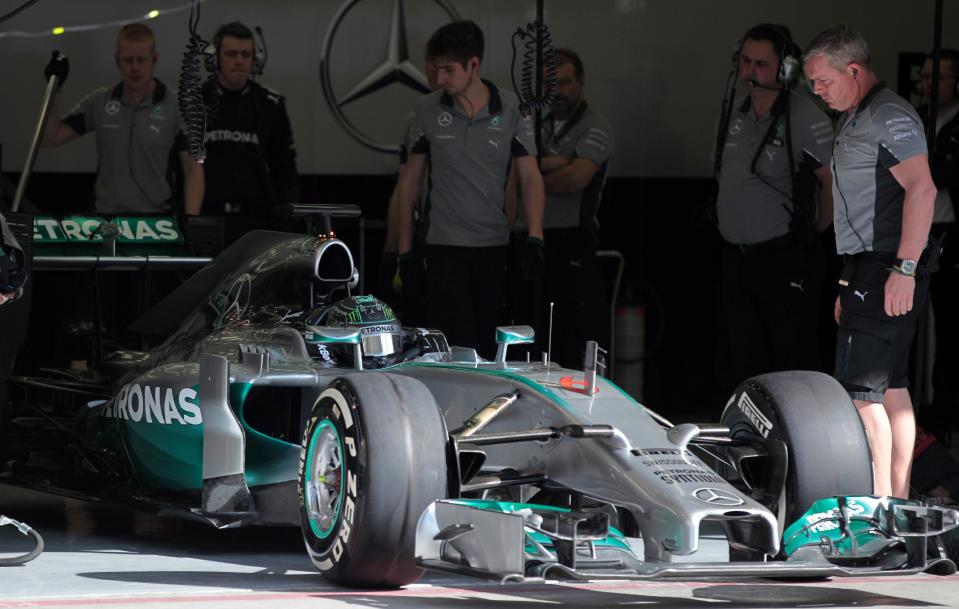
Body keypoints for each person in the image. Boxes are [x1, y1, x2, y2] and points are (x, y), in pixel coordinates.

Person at [804, 25, 938, 498]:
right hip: (866, 268)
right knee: (890, 390)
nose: (816, 90)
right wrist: (846, 280)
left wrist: (904, 269)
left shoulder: (888, 115)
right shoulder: (858, 114)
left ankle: (875, 508)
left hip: (886, 267)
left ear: (854, 70)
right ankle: (895, 504)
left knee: (861, 395)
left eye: (823, 81)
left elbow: (923, 189)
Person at [395, 20, 545, 357]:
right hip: (444, 247)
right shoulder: (426, 110)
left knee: (492, 349)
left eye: (448, 70)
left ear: (473, 65)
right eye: (436, 70)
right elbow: (410, 183)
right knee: (452, 347)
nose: (439, 79)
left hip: (494, 246)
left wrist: (536, 237)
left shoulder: (511, 109)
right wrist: (404, 251)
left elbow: (531, 177)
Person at [715, 24, 834, 392]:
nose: (751, 71)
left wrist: (813, 236)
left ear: (785, 69)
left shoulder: (805, 116)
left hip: (782, 258)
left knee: (789, 359)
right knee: (743, 356)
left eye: (762, 64)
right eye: (746, 61)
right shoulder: (734, 112)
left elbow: (832, 182)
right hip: (735, 257)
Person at [41, 23, 203, 215]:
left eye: (141, 60)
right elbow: (51, 138)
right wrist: (54, 88)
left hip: (158, 221)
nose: (135, 67)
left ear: (155, 59)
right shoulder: (99, 101)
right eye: (128, 60)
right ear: (117, 60)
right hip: (106, 219)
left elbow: (193, 169)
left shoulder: (177, 106)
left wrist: (191, 223)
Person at [531, 48, 614, 368]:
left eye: (565, 83)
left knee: (575, 335)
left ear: (581, 82)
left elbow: (576, 178)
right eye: (550, 85)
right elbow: (512, 171)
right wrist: (561, 161)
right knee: (540, 334)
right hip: (535, 241)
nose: (558, 92)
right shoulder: (537, 123)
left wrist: (534, 175)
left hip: (575, 241)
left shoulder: (597, 125)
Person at [194, 21, 300, 245]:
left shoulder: (271, 105)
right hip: (206, 219)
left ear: (255, 59)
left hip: (255, 221)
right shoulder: (195, 102)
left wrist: (286, 222)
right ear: (215, 59)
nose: (240, 61)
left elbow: (285, 170)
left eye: (246, 54)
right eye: (231, 54)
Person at [916, 49, 959, 433]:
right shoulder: (915, 118)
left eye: (938, 77)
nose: (928, 84)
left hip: (950, 233)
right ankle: (923, 406)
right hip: (918, 231)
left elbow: (943, 174)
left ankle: (945, 410)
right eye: (925, 77)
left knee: (948, 326)